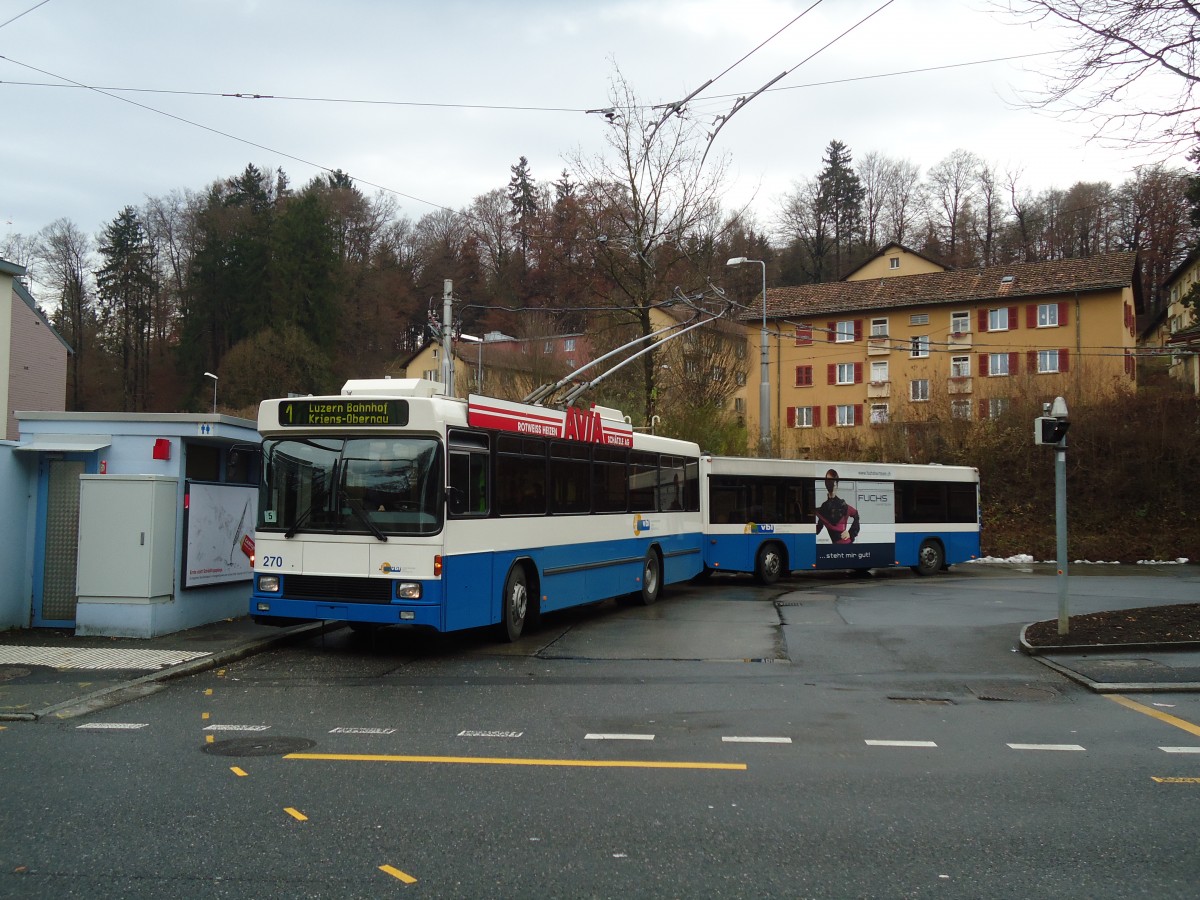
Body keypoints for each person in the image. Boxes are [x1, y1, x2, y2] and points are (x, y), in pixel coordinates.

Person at [815, 468, 860, 544]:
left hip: (847, 545)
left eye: (832, 481)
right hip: (835, 549)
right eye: (827, 481)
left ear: (836, 483)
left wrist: (850, 533)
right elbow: (818, 528)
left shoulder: (843, 505)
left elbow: (856, 515)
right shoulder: (823, 508)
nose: (830, 483)